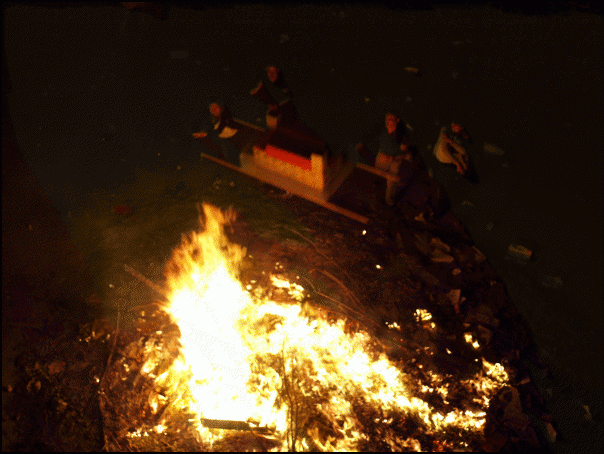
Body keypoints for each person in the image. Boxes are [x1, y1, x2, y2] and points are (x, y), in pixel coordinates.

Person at [356, 112, 418, 206]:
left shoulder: (402, 135)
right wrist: (362, 145)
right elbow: (371, 136)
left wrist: (395, 157)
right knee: (378, 172)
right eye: (387, 120)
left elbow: (408, 154)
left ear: (397, 121)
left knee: (392, 180)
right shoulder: (383, 132)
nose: (388, 122)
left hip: (396, 162)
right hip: (383, 159)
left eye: (391, 120)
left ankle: (389, 200)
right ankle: (378, 189)